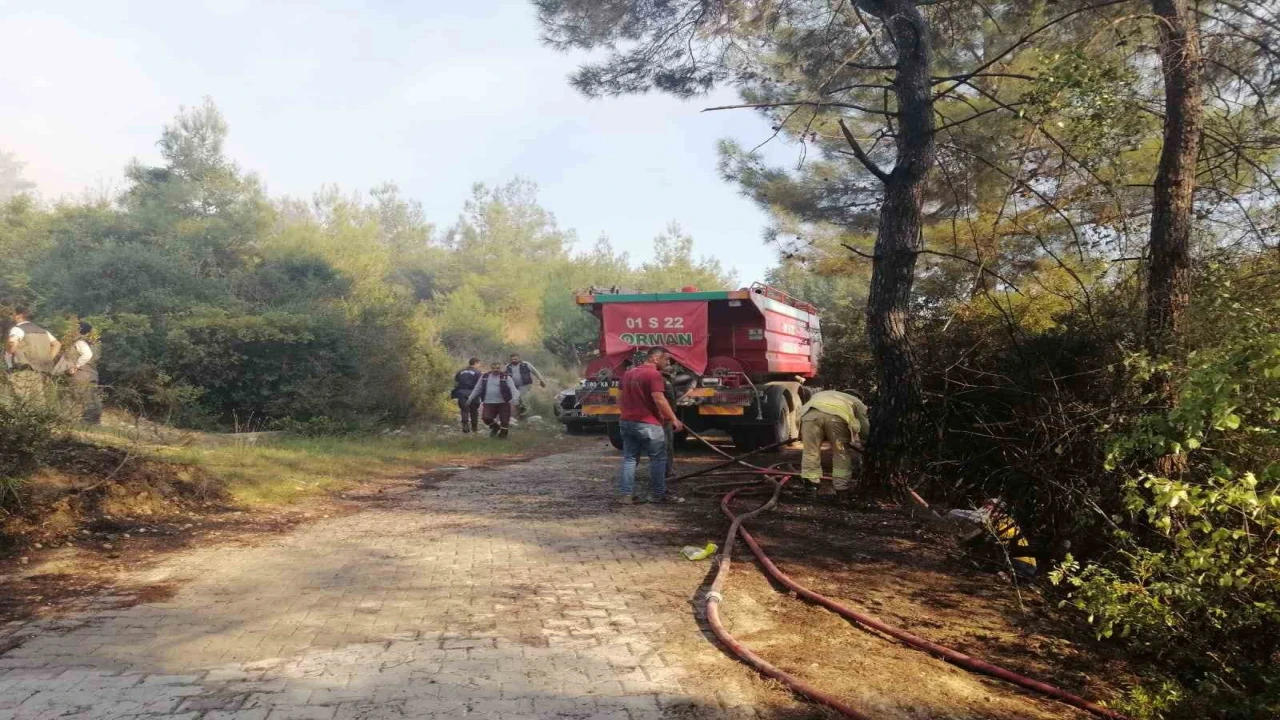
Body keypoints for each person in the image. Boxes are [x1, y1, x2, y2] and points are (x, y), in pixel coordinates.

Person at [616, 347, 684, 505]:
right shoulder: (654, 374)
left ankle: (626, 495)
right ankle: (659, 494)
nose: (668, 363)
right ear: (655, 358)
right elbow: (659, 399)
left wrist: (626, 412)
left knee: (630, 459)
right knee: (658, 459)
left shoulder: (628, 373)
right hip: (648, 424)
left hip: (626, 422)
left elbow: (619, 397)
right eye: (666, 360)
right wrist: (674, 419)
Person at [797, 390, 870, 503]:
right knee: (841, 453)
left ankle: (811, 488)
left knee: (810, 452)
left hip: (809, 417)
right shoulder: (856, 401)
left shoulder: (824, 393)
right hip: (837, 418)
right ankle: (841, 490)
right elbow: (864, 424)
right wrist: (868, 440)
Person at [4, 306, 60, 402]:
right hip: (41, 372)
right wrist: (48, 358)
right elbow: (57, 344)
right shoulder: (43, 331)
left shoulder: (17, 329)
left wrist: (9, 350)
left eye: (14, 314)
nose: (12, 316)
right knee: (38, 402)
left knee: (22, 402)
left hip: (23, 371)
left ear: (19, 316)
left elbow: (12, 343)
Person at [467, 362, 520, 438]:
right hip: (488, 402)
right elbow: (477, 388)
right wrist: (470, 398)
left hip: (503, 402)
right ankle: (495, 427)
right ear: (491, 369)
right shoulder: (484, 377)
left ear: (500, 368)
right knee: (486, 418)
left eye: (497, 368)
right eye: (494, 368)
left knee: (504, 421)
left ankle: (503, 436)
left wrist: (515, 398)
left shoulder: (505, 377)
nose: (495, 370)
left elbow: (513, 389)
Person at [62, 321, 101, 424]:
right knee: (92, 398)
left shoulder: (79, 342)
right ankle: (94, 421)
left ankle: (67, 419)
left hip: (81, 374)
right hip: (92, 374)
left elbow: (87, 355)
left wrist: (76, 366)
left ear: (78, 330)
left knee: (69, 395)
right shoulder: (92, 343)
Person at [505, 353, 545, 418]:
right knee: (514, 399)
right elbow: (503, 375)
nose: (514, 360)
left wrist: (541, 380)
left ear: (519, 358)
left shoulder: (526, 364)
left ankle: (525, 411)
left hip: (525, 384)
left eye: (515, 359)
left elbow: (535, 372)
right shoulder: (508, 366)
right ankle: (518, 413)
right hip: (514, 386)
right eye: (512, 359)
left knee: (519, 396)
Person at [451, 358, 483, 433]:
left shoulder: (460, 371)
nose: (479, 365)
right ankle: (474, 428)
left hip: (461, 393)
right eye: (479, 363)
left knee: (464, 409)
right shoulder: (478, 372)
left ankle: (465, 426)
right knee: (474, 411)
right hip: (473, 393)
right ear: (475, 363)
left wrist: (457, 392)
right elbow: (480, 384)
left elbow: (456, 383)